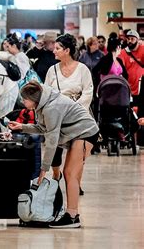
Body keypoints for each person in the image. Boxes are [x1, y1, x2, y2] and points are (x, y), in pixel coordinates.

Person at [8, 81, 99, 228]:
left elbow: (52, 139)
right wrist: (22, 127)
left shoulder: (51, 108)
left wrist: (44, 168)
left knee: (70, 174)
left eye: (24, 99)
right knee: (69, 173)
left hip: (86, 132)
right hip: (77, 133)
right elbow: (43, 127)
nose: (22, 101)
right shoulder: (43, 103)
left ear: (34, 99)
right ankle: (71, 214)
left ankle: (72, 216)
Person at [44, 33, 93, 195]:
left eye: (57, 48)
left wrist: (73, 110)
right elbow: (46, 92)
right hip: (57, 117)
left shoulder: (82, 69)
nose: (54, 51)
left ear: (67, 50)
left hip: (78, 118)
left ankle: (74, 182)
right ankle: (56, 177)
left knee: (77, 155)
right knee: (55, 153)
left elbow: (88, 93)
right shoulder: (52, 70)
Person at [118, 29, 144, 106]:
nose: (129, 41)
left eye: (132, 39)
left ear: (138, 40)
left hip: (140, 87)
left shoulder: (143, 50)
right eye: (128, 39)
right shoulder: (123, 52)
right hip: (127, 88)